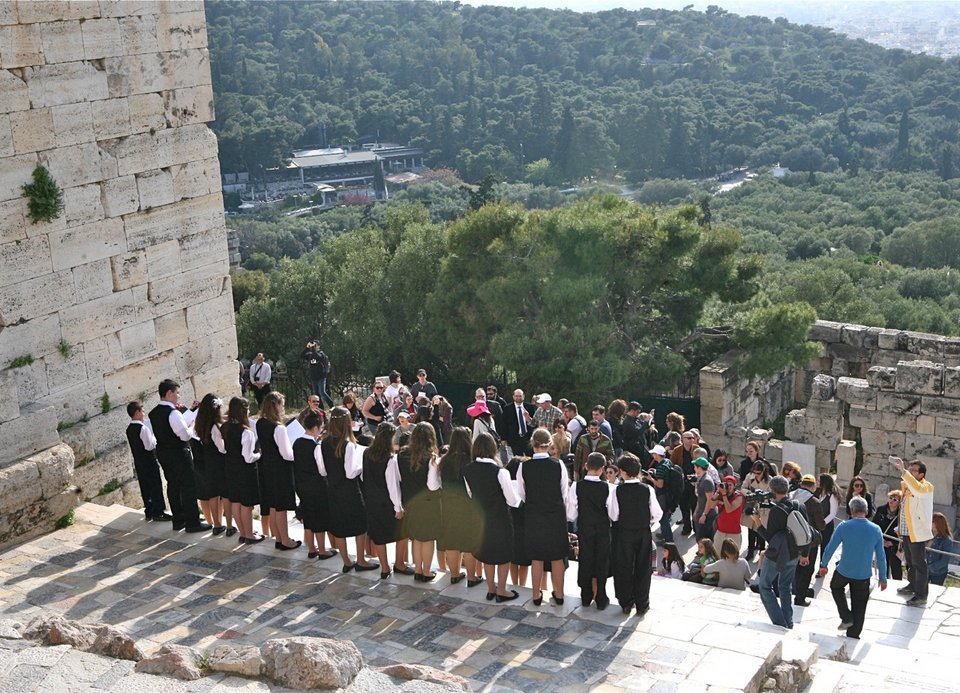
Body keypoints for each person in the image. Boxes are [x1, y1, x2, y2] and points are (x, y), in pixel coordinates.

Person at [818, 496, 887, 639]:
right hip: (863, 574)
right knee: (860, 607)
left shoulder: (844, 526)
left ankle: (846, 616)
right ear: (866, 511)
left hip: (844, 570)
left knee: (836, 587)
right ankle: (853, 636)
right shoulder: (876, 529)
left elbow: (830, 547)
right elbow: (881, 556)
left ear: (851, 510)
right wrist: (883, 577)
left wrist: (823, 565)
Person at [464, 433, 522, 602]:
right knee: (503, 555)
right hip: (500, 517)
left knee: (488, 554)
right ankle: (502, 590)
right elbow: (511, 499)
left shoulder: (467, 469)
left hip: (480, 517)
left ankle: (491, 589)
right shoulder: (500, 471)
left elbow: (470, 493)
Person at [147, 379, 210, 533]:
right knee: (189, 486)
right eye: (177, 392)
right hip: (179, 454)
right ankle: (192, 523)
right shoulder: (173, 413)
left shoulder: (153, 413)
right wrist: (193, 424)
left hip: (163, 453)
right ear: (169, 393)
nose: (178, 396)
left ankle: (179, 520)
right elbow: (185, 436)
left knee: (173, 485)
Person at [323, 406, 379, 573]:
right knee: (360, 525)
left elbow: (322, 470)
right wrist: (360, 467)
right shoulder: (347, 445)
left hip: (333, 488)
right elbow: (350, 473)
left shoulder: (323, 443)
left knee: (339, 526)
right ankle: (360, 560)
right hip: (349, 490)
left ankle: (347, 560)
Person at [518, 428, 570, 606]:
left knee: (537, 556)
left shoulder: (523, 466)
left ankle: (535, 594)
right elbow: (564, 493)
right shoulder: (558, 465)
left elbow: (522, 493)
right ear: (550, 445)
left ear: (532, 444)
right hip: (554, 514)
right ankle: (559, 593)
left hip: (534, 514)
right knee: (557, 556)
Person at [751, 475, 810, 629]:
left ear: (773, 490)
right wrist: (805, 554)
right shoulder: (799, 505)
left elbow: (770, 538)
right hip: (794, 553)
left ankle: (780, 622)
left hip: (778, 555)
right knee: (785, 586)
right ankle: (788, 621)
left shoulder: (777, 511)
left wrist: (757, 522)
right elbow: (806, 531)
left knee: (764, 586)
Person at [609, 453, 662, 615]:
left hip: (623, 533)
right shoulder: (647, 490)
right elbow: (657, 514)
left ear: (623, 472)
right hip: (642, 532)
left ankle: (626, 601)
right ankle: (642, 603)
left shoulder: (617, 491)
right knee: (643, 568)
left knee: (624, 566)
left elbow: (613, 515)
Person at [566, 452, 616, 609]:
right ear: (602, 469)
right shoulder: (608, 487)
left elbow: (571, 514)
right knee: (602, 561)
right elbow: (613, 514)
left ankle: (586, 595)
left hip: (585, 527)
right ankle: (601, 595)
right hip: (602, 528)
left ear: (586, 466)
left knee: (585, 560)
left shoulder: (576, 486)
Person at [397, 422, 443, 581]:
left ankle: (417, 570)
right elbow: (432, 485)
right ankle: (427, 571)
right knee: (428, 538)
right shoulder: (431, 458)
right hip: (428, 502)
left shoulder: (402, 454)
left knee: (416, 538)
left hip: (410, 501)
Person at [361, 422, 407, 578]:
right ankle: (400, 564)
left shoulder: (366, 453)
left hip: (371, 500)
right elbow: (392, 485)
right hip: (386, 502)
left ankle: (385, 568)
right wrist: (398, 508)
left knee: (379, 536)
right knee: (403, 532)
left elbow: (363, 476)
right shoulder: (390, 459)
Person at [256, 392, 301, 551]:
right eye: (281, 404)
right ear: (275, 405)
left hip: (267, 466)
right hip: (281, 469)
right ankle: (285, 540)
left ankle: (278, 537)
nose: (283, 408)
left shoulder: (260, 423)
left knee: (274, 504)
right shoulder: (278, 428)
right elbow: (287, 454)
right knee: (281, 506)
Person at [438, 427, 482, 586]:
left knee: (452, 541)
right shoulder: (470, 460)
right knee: (469, 543)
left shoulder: (444, 460)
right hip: (467, 505)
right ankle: (471, 577)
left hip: (449, 504)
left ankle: (454, 574)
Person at [292, 411, 337, 560]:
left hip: (301, 485)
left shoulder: (297, 442)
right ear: (317, 428)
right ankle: (322, 550)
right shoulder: (316, 446)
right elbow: (322, 469)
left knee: (308, 517)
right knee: (319, 518)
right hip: (316, 486)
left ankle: (311, 548)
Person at [221, 397, 263, 544]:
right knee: (247, 504)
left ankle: (243, 533)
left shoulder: (225, 427)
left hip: (230, 468)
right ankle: (249, 535)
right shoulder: (247, 432)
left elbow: (225, 448)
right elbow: (248, 457)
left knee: (236, 502)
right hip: (245, 471)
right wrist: (259, 454)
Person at [895, 457, 935, 607]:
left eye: (913, 471)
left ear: (921, 474)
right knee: (910, 562)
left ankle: (921, 595)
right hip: (907, 529)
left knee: (919, 564)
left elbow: (917, 490)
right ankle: (912, 586)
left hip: (917, 531)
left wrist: (903, 471)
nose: (911, 473)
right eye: (910, 470)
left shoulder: (926, 487)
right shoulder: (909, 485)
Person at [125, 401, 171, 522]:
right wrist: (155, 439)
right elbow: (149, 446)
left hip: (139, 462)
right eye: (142, 411)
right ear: (137, 412)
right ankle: (158, 512)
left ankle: (149, 511)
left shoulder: (129, 429)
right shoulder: (143, 428)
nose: (144, 413)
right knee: (155, 485)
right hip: (149, 461)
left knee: (145, 486)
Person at [191, 393, 230, 535]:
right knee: (224, 494)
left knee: (213, 494)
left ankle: (216, 524)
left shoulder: (200, 424)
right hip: (219, 463)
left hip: (208, 462)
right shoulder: (215, 427)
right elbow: (222, 448)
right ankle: (223, 524)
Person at [791, 474, 825, 607]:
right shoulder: (814, 502)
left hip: (791, 539)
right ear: (812, 487)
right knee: (806, 570)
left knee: (792, 568)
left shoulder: (791, 496)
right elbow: (821, 525)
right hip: (808, 542)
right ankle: (800, 597)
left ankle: (790, 591)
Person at [670, 429, 699, 536]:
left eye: (692, 438)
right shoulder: (677, 451)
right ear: (683, 439)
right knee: (684, 506)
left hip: (694, 482)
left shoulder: (696, 449)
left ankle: (696, 528)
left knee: (694, 505)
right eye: (689, 438)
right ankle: (687, 527)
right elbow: (672, 465)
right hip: (682, 482)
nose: (692, 440)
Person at [645, 444, 676, 544]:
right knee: (666, 516)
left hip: (662, 495)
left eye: (654, 453)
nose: (653, 455)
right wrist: (655, 472)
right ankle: (664, 534)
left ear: (657, 455)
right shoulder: (667, 462)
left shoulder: (661, 468)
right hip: (669, 493)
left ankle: (668, 540)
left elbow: (660, 484)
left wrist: (650, 479)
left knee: (663, 518)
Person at [742, 462, 772, 561]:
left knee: (761, 531)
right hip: (752, 505)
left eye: (758, 473)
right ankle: (750, 551)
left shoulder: (769, 480)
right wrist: (750, 493)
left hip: (763, 508)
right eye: (754, 472)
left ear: (763, 471)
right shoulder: (749, 477)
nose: (756, 475)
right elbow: (742, 488)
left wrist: (763, 495)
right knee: (751, 530)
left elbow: (771, 495)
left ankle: (761, 553)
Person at [871, 490, 903, 580]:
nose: (891, 501)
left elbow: (903, 531)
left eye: (895, 499)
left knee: (896, 568)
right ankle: (883, 584)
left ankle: (897, 586)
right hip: (882, 542)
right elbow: (874, 525)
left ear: (899, 503)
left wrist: (893, 542)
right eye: (890, 498)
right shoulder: (881, 510)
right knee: (883, 566)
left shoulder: (902, 514)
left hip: (894, 546)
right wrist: (881, 540)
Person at [708, 475, 743, 550]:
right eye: (726, 484)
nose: (728, 487)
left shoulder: (738, 496)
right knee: (718, 555)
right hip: (720, 531)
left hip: (733, 532)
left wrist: (724, 495)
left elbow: (729, 510)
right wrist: (716, 495)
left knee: (733, 558)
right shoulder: (721, 495)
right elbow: (711, 506)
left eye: (730, 485)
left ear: (734, 486)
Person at [501, 388, 535, 457]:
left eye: (520, 396)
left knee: (530, 458)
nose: (518, 398)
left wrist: (528, 418)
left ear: (523, 396)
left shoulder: (530, 407)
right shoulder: (507, 408)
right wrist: (503, 438)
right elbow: (504, 424)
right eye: (516, 396)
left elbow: (534, 423)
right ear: (513, 397)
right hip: (514, 438)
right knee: (517, 459)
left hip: (527, 437)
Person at [301, 340, 333, 408]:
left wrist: (313, 349)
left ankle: (332, 406)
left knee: (322, 392)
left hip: (321, 377)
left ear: (319, 346)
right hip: (314, 377)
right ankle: (321, 409)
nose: (314, 347)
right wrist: (307, 348)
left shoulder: (321, 354)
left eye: (316, 345)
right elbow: (302, 356)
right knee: (316, 394)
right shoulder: (310, 354)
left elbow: (317, 356)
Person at [692, 457, 717, 540]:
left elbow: (709, 500)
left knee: (704, 539)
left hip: (708, 515)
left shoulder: (707, 481)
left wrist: (704, 515)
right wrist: (696, 511)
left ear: (699, 468)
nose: (694, 468)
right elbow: (700, 498)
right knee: (700, 538)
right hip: (701, 512)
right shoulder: (701, 478)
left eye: (695, 466)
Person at [928, 512, 955, 586]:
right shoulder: (928, 536)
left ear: (938, 524)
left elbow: (944, 560)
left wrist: (929, 568)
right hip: (925, 571)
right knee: (921, 590)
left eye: (932, 521)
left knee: (935, 592)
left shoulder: (947, 541)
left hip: (938, 573)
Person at [818, 473, 843, 550]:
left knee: (824, 548)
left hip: (827, 526)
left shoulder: (832, 495)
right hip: (818, 525)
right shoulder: (819, 493)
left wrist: (823, 523)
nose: (817, 482)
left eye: (819, 481)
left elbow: (832, 514)